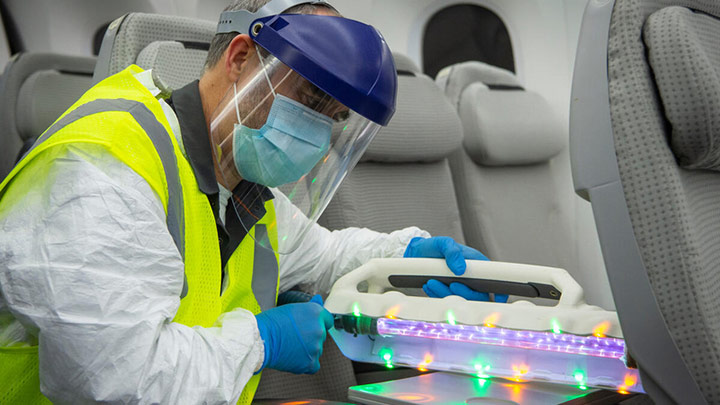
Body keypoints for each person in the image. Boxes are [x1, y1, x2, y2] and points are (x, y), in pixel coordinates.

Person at [0, 0, 495, 403]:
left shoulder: (239, 182)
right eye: (310, 99)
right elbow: (115, 380)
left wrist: (408, 257)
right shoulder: (101, 171)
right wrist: (262, 342)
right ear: (240, 59)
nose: (319, 133)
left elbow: (323, 257)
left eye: (336, 118)